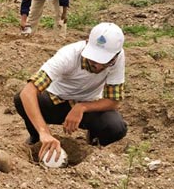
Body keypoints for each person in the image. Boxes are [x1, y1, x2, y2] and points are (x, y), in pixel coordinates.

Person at [14, 22, 128, 162]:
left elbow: (113, 100)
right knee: (21, 100)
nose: (97, 65)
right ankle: (36, 137)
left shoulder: (118, 58)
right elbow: (27, 92)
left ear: (115, 56)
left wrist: (81, 107)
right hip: (55, 101)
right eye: (94, 59)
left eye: (104, 61)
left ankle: (93, 144)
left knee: (115, 127)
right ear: (87, 44)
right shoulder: (69, 55)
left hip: (87, 107)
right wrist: (44, 132)